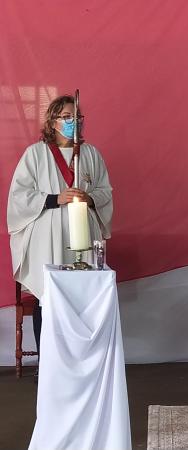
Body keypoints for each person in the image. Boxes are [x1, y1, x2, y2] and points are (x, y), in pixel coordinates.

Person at [7, 94, 113, 353]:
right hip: (48, 234)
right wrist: (56, 198)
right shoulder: (36, 154)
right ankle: (46, 363)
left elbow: (105, 191)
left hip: (83, 232)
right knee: (49, 298)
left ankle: (78, 356)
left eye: (77, 117)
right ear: (52, 121)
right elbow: (19, 195)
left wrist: (88, 197)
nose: (73, 122)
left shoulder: (90, 153)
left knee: (80, 299)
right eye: (66, 117)